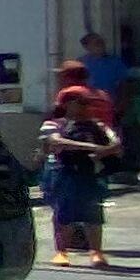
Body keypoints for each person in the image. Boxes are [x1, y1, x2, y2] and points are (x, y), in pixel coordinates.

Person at [40, 62, 116, 267]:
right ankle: (62, 251)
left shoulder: (95, 125)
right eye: (80, 103)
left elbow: (114, 142)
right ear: (67, 104)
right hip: (64, 172)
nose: (86, 107)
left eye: (87, 104)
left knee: (93, 213)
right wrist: (91, 146)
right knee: (64, 212)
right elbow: (56, 141)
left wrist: (105, 149)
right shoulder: (54, 123)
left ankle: (96, 251)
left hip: (90, 173)